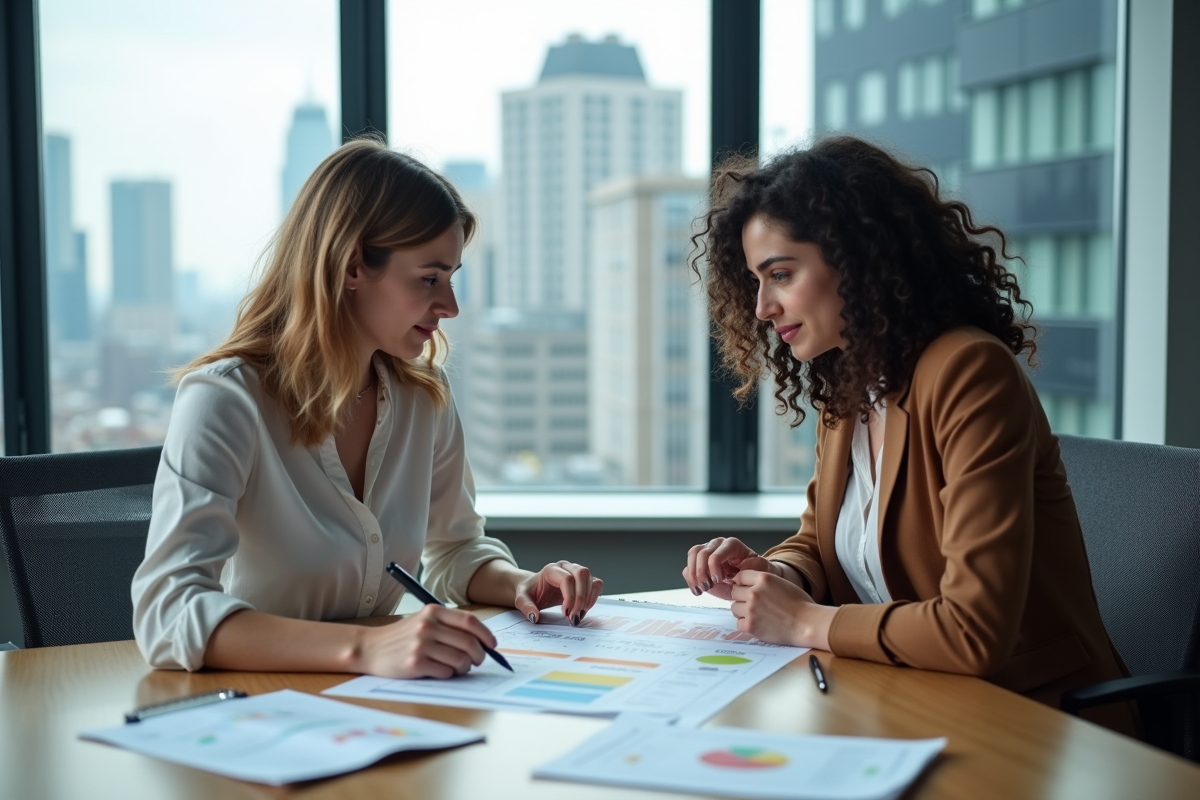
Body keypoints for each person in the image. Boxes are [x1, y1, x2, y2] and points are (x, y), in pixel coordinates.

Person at [681, 136, 1135, 734]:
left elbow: (974, 631)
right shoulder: (849, 384)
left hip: (1035, 719)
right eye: (756, 282)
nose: (763, 307)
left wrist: (802, 622)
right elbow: (818, 543)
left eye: (782, 274)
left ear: (857, 258)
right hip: (907, 700)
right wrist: (774, 577)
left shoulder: (970, 371)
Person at [132, 138, 602, 680]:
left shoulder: (425, 398)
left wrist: (518, 583)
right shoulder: (226, 400)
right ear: (353, 266)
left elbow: (454, 550)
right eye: (429, 279)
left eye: (451, 279)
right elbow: (167, 611)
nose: (450, 306)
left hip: (378, 703)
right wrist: (366, 650)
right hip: (257, 702)